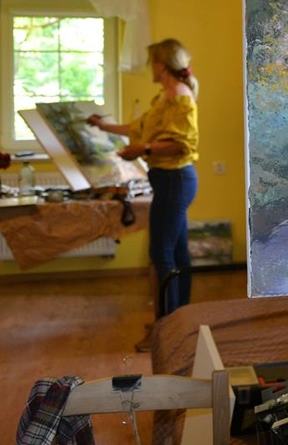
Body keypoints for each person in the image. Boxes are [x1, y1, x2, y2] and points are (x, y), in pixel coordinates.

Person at [87, 38, 199, 350]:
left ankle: (167, 329)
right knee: (177, 253)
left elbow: (182, 145)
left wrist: (143, 149)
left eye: (152, 62)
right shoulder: (166, 96)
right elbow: (138, 128)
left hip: (175, 180)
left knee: (161, 253)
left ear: (162, 65)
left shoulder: (179, 96)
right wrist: (104, 127)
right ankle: (179, 322)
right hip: (170, 181)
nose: (150, 67)